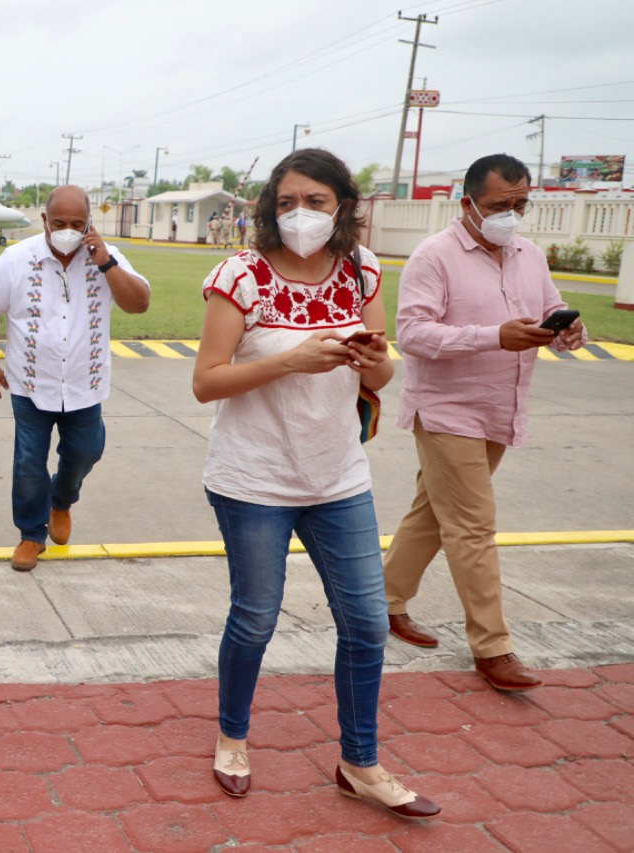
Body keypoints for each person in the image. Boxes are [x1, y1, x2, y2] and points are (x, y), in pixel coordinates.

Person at [192, 148, 439, 818]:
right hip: (253, 479)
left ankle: (360, 761)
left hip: (338, 476)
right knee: (256, 617)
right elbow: (205, 380)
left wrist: (370, 360)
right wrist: (292, 360)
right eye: (287, 202)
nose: (300, 214)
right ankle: (232, 736)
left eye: (317, 201)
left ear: (344, 207)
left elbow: (382, 375)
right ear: (272, 209)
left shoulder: (360, 270)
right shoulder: (240, 277)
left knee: (364, 623)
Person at [383, 153, 586, 692]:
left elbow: (551, 304)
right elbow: (413, 335)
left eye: (521, 204)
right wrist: (494, 334)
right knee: (473, 525)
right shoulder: (434, 257)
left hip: (501, 406)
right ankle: (493, 648)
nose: (512, 215)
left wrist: (567, 328)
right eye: (500, 205)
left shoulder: (529, 255)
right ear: (467, 201)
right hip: (448, 411)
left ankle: (382, 600)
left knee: (433, 512)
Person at [0, 186, 150, 572]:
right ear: (44, 221)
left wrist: (106, 262)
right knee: (27, 462)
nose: (67, 230)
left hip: (84, 384)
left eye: (76, 223)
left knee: (88, 451)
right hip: (30, 384)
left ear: (89, 223)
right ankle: (31, 534)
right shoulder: (17, 259)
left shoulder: (107, 258)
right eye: (59, 223)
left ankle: (62, 500)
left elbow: (138, 304)